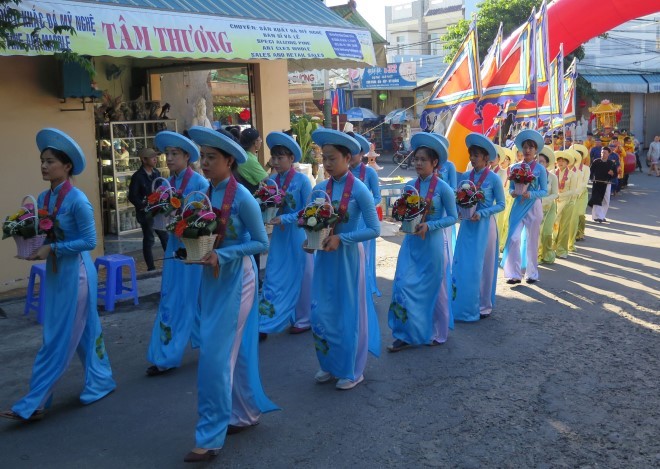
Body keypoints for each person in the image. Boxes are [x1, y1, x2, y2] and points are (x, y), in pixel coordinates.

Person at [0, 129, 116, 422]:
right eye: (42, 160)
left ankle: (34, 401)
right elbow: (43, 233)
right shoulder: (43, 197)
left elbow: (89, 242)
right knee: (87, 332)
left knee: (56, 336)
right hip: (56, 273)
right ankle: (101, 380)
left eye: (50, 161)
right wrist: (32, 245)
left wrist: (52, 249)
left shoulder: (78, 200)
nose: (43, 166)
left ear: (66, 167)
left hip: (76, 274)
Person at [183, 126, 277, 463]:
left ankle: (209, 435)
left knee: (216, 355)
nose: (204, 163)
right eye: (202, 157)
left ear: (229, 161)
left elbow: (260, 243)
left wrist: (222, 254)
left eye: (211, 158)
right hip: (212, 279)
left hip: (239, 280)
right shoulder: (205, 195)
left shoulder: (242, 198)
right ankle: (245, 412)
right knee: (228, 351)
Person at [309, 129, 380, 391]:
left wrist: (343, 239)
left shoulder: (359, 189)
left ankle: (351, 369)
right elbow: (308, 222)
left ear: (347, 157)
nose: (326, 164)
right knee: (322, 310)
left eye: (332, 158)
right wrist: (308, 243)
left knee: (347, 311)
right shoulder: (318, 189)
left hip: (348, 258)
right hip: (324, 259)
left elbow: (375, 229)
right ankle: (329, 363)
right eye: (324, 159)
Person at [145, 131, 209, 376]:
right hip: (174, 246)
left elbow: (206, 220)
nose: (169, 159)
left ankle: (171, 354)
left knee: (190, 297)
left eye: (175, 154)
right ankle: (167, 353)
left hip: (192, 247)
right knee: (174, 296)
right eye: (167, 154)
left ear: (186, 156)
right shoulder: (167, 183)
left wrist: (183, 221)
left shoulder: (199, 184)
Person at [387, 133, 457, 351]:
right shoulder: (409, 186)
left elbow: (453, 217)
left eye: (423, 160)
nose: (417, 163)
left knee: (435, 289)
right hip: (411, 244)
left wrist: (430, 225)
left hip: (434, 245)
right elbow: (404, 210)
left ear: (434, 162)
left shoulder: (443, 188)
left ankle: (437, 331)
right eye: (416, 159)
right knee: (403, 285)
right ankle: (405, 333)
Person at [259, 132, 313, 336]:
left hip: (298, 234)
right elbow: (267, 203)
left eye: (280, 157)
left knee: (302, 275)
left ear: (291, 159)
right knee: (274, 275)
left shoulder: (302, 181)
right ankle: (267, 319)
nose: (276, 161)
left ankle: (304, 318)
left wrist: (287, 218)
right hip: (280, 236)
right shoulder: (271, 180)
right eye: (274, 157)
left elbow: (309, 210)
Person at [452, 133, 505, 321]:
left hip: (485, 227)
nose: (472, 159)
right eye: (471, 155)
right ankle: (463, 303)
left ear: (485, 158)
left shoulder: (494, 179)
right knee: (466, 263)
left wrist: (481, 213)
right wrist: (460, 211)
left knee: (484, 266)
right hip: (467, 226)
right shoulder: (466, 176)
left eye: (476, 155)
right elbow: (458, 197)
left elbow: (501, 204)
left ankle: (483, 305)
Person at [501, 130, 548, 284]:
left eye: (531, 148)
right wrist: (514, 192)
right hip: (518, 205)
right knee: (514, 238)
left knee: (531, 240)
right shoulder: (514, 167)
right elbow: (510, 188)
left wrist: (531, 194)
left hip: (534, 207)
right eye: (525, 147)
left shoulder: (540, 169)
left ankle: (532, 273)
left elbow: (544, 191)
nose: (527, 150)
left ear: (535, 151)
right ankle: (514, 274)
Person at [348, 132, 382, 297]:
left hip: (365, 220)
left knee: (365, 256)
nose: (350, 155)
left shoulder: (369, 173)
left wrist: (365, 206)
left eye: (354, 151)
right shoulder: (341, 172)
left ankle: (366, 290)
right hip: (348, 220)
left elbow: (377, 196)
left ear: (362, 154)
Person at [128, 147, 169, 271]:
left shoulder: (156, 173)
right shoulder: (137, 176)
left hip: (158, 211)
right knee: (149, 239)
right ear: (144, 160)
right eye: (152, 157)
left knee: (165, 237)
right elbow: (132, 196)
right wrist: (143, 206)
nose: (155, 159)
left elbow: (160, 189)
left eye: (155, 157)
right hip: (146, 213)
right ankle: (151, 267)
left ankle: (171, 264)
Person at [552, 150, 579, 259]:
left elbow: (572, 190)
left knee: (564, 227)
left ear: (567, 163)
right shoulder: (552, 173)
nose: (561, 163)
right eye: (559, 160)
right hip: (554, 202)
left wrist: (559, 195)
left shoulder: (572, 174)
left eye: (563, 161)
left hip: (567, 202)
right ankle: (552, 247)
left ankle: (562, 250)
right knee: (553, 226)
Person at [538, 146, 558, 264]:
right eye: (538, 161)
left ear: (547, 163)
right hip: (536, 208)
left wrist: (543, 200)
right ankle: (537, 255)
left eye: (542, 162)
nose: (540, 164)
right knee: (536, 233)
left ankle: (547, 254)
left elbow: (555, 194)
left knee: (546, 232)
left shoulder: (552, 177)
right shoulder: (533, 176)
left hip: (549, 208)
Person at [569, 144, 591, 244]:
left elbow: (584, 182)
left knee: (580, 213)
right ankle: (571, 234)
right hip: (570, 195)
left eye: (580, 155)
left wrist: (577, 191)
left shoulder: (586, 168)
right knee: (571, 215)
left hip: (582, 194)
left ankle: (580, 233)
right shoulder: (569, 168)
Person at [589, 146, 617, 223]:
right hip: (597, 183)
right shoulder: (596, 161)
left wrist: (612, 174)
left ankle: (602, 216)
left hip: (606, 183)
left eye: (605, 153)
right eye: (602, 152)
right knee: (596, 200)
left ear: (608, 154)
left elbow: (615, 175)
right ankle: (596, 216)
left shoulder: (611, 163)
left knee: (606, 201)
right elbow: (591, 171)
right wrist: (592, 178)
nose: (603, 154)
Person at [237, 128, 269, 194]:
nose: (261, 141)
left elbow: (259, 174)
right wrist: (275, 166)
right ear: (255, 142)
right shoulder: (249, 159)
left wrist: (269, 165)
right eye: (260, 139)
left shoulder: (243, 155)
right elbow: (268, 181)